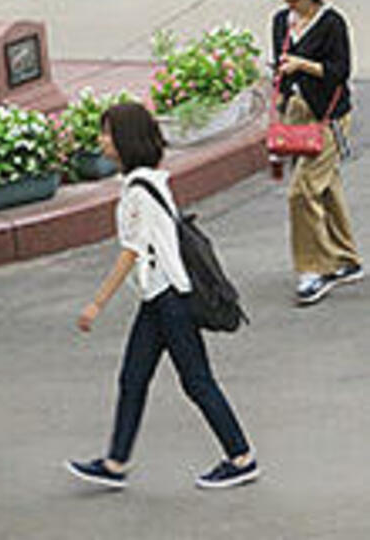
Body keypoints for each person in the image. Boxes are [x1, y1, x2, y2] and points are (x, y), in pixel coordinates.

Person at [65, 102, 258, 491]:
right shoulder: (151, 180)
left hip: (171, 300)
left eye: (107, 133)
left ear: (124, 140)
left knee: (196, 381)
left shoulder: (138, 190)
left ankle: (241, 457)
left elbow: (131, 252)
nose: (101, 141)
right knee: (133, 377)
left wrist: (96, 304)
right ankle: (116, 462)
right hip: (158, 298)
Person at [265, 0, 363, 305]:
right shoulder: (280, 22)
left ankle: (314, 269)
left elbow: (340, 71)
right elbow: (279, 67)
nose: (289, 0)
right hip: (296, 113)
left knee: (302, 191)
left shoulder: (332, 23)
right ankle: (345, 259)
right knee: (326, 187)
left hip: (328, 116)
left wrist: (303, 65)